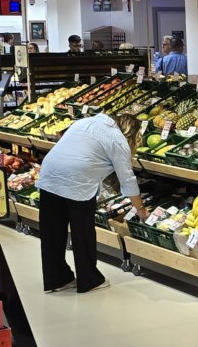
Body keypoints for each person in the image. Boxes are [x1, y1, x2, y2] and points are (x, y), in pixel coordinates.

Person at [35, 112, 148, 294]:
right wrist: (141, 209)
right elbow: (128, 180)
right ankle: (89, 279)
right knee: (83, 233)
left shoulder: (86, 121)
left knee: (52, 231)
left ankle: (56, 279)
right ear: (131, 132)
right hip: (78, 181)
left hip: (50, 172)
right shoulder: (118, 140)